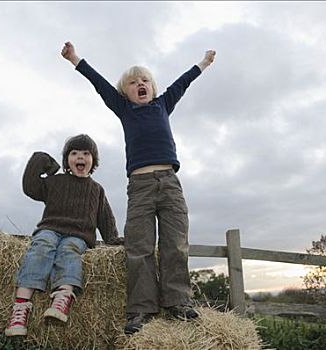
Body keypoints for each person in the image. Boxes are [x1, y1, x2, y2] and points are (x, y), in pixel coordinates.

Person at [61, 42, 216, 335]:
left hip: (170, 183)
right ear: (125, 93)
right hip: (141, 186)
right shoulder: (124, 109)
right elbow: (99, 83)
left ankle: (178, 301)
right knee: (140, 246)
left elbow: (184, 82)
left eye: (144, 80)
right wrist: (74, 59)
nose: (140, 84)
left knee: (175, 243)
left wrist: (204, 63)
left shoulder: (163, 104)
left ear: (153, 88)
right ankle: (141, 309)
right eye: (133, 82)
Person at [5, 134, 123, 337]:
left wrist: (113, 239)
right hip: (50, 228)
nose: (80, 157)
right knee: (42, 246)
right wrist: (40, 160)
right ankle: (21, 307)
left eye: (86, 154)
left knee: (69, 250)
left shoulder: (96, 189)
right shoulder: (56, 182)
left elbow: (105, 217)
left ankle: (63, 297)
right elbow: (31, 187)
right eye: (74, 153)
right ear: (67, 159)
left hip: (78, 235)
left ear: (93, 160)